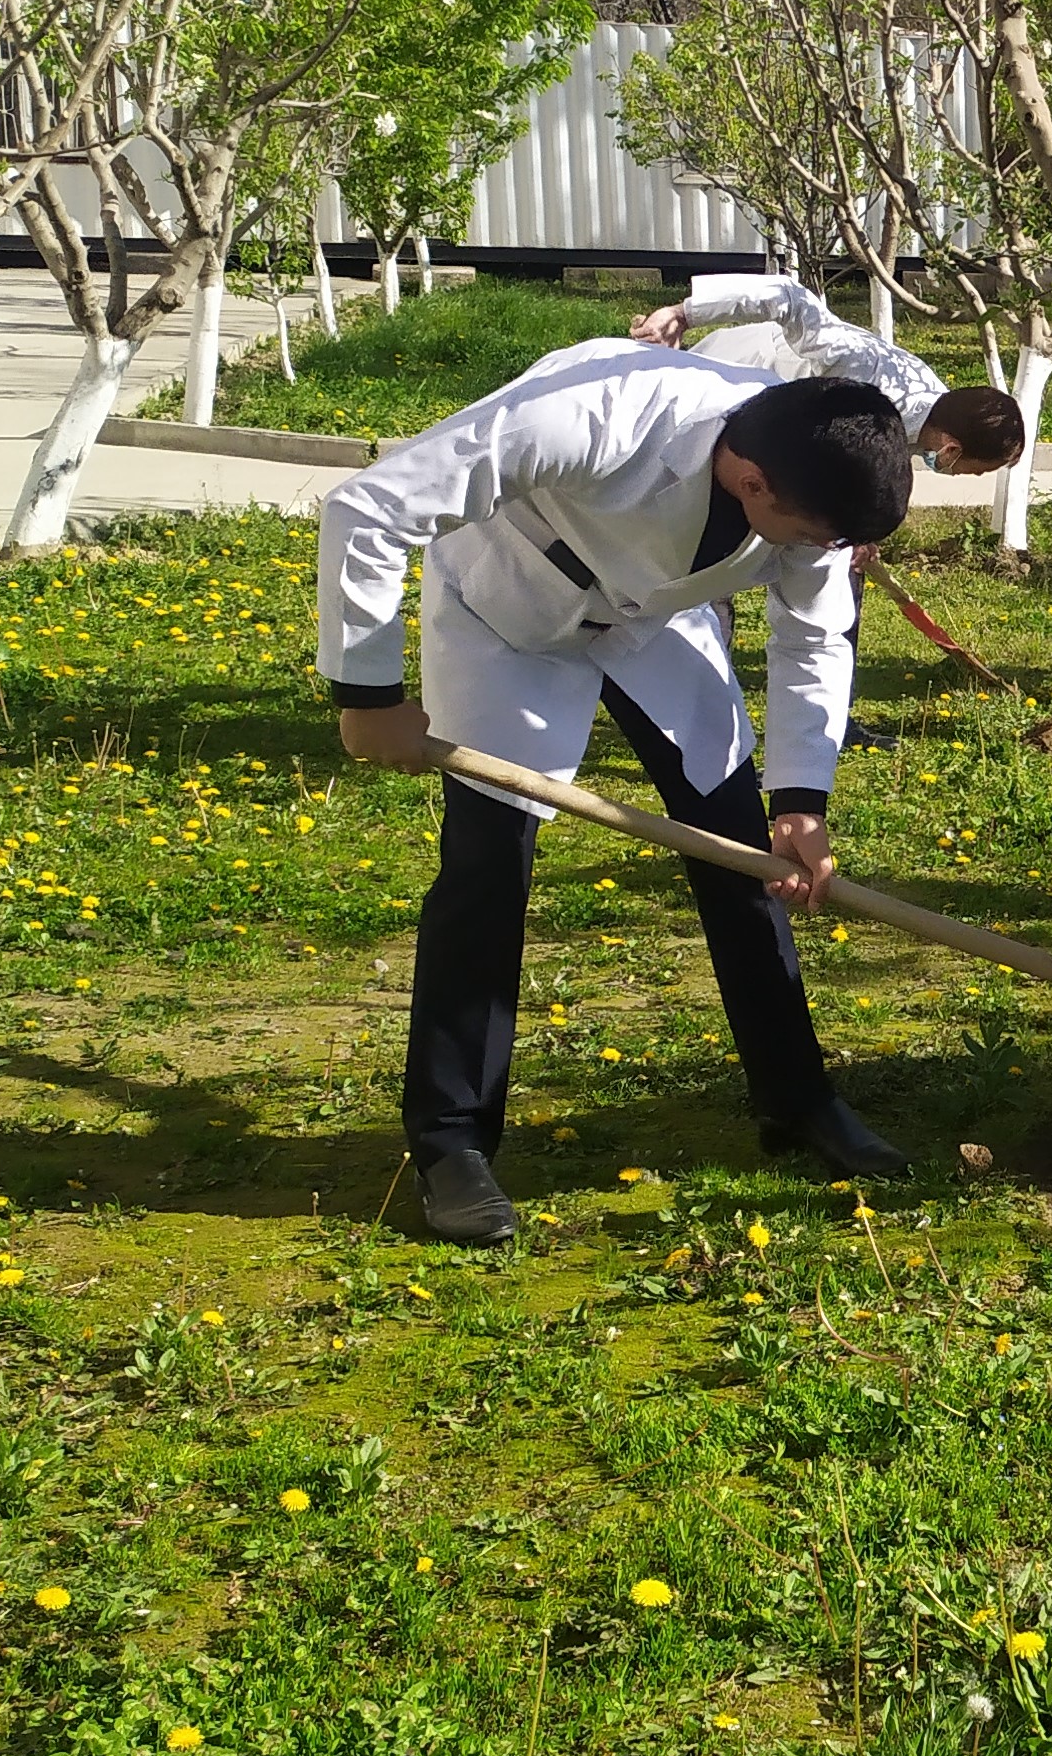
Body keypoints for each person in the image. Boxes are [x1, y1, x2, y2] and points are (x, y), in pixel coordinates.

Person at [320, 345, 918, 1245]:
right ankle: (451, 1144)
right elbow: (368, 507)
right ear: (751, 480)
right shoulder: (594, 414)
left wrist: (801, 795)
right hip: (508, 614)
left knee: (744, 851)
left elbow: (815, 637)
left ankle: (797, 1099)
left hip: (655, 624)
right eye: (806, 537)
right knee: (487, 871)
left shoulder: (813, 475)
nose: (815, 555)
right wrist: (367, 697)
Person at [632, 274, 1024, 478]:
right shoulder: (864, 371)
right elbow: (787, 296)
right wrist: (683, 314)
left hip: (760, 433)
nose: (974, 478)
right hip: (723, 381)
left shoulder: (930, 414)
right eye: (980, 471)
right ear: (952, 450)